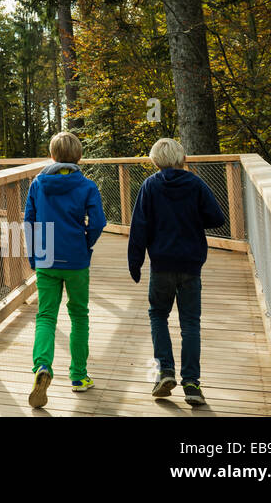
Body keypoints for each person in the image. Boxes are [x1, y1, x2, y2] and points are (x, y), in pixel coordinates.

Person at [128, 137, 225, 408]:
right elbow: (217, 218)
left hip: (161, 265)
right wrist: (193, 218)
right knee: (190, 323)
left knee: (158, 315)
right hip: (191, 265)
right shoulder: (195, 184)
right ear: (181, 158)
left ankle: (165, 372)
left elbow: (139, 227)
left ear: (155, 160)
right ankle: (192, 383)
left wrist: (134, 264)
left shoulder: (150, 186)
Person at [23, 131, 106, 407]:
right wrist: (86, 245)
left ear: (52, 155)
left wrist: (34, 255)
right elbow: (97, 223)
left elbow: (29, 222)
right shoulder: (87, 186)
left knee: (46, 315)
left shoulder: (38, 184)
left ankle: (42, 367)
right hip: (76, 259)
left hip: (46, 257)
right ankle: (79, 377)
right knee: (79, 315)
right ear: (79, 156)